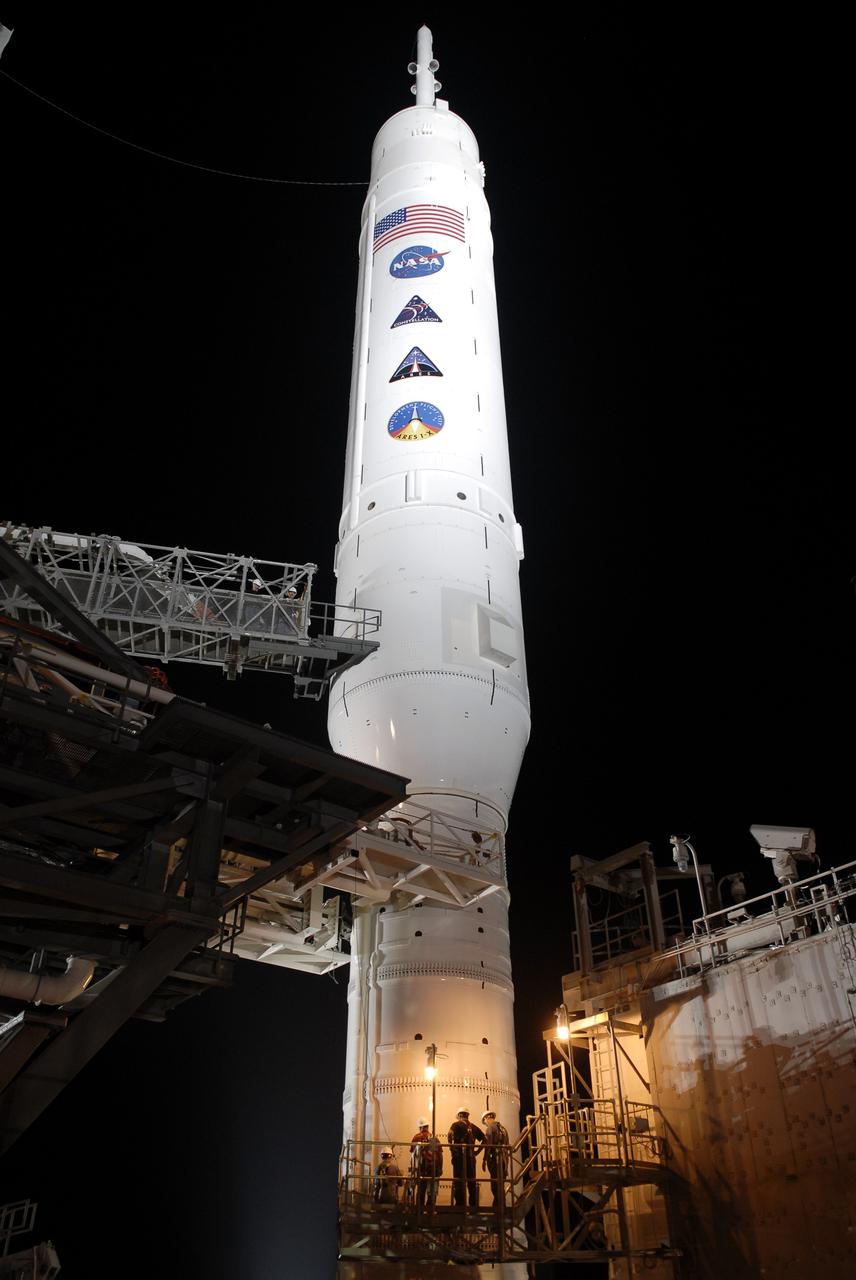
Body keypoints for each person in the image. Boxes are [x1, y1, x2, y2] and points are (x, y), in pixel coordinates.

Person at [447, 1107, 484, 1208]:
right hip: (471, 1159)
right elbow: (485, 1140)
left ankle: (460, 1206)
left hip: (459, 1159)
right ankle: (473, 1206)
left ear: (459, 1115)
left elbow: (450, 1136)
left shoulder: (455, 1125)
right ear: (468, 1115)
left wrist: (453, 1151)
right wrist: (477, 1152)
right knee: (471, 1182)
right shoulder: (474, 1127)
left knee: (459, 1181)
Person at [410, 1118, 443, 1212]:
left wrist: (413, 1170)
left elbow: (412, 1156)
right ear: (427, 1126)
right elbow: (440, 1155)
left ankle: (419, 1213)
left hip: (422, 1170)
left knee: (421, 1192)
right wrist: (440, 1169)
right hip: (433, 1170)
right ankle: (430, 1213)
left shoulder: (416, 1137)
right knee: (432, 1193)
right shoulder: (434, 1138)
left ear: (420, 1127)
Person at [481, 1109, 509, 1207]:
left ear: (487, 1118)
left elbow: (488, 1146)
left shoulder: (490, 1128)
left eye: (484, 1121)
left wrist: (484, 1160)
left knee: (495, 1185)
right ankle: (502, 1205)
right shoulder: (503, 1128)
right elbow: (507, 1145)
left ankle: (497, 1207)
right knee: (501, 1184)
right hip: (504, 1160)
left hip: (495, 1160)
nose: (485, 1124)